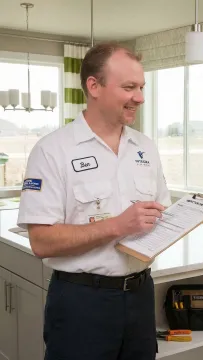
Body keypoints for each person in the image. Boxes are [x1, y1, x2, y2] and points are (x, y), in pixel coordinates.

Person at [17, 42, 171, 360]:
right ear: (94, 86)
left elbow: (160, 216)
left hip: (141, 297)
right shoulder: (52, 151)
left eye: (141, 87)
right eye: (129, 87)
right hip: (81, 302)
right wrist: (116, 225)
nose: (140, 97)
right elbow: (41, 241)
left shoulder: (146, 148)